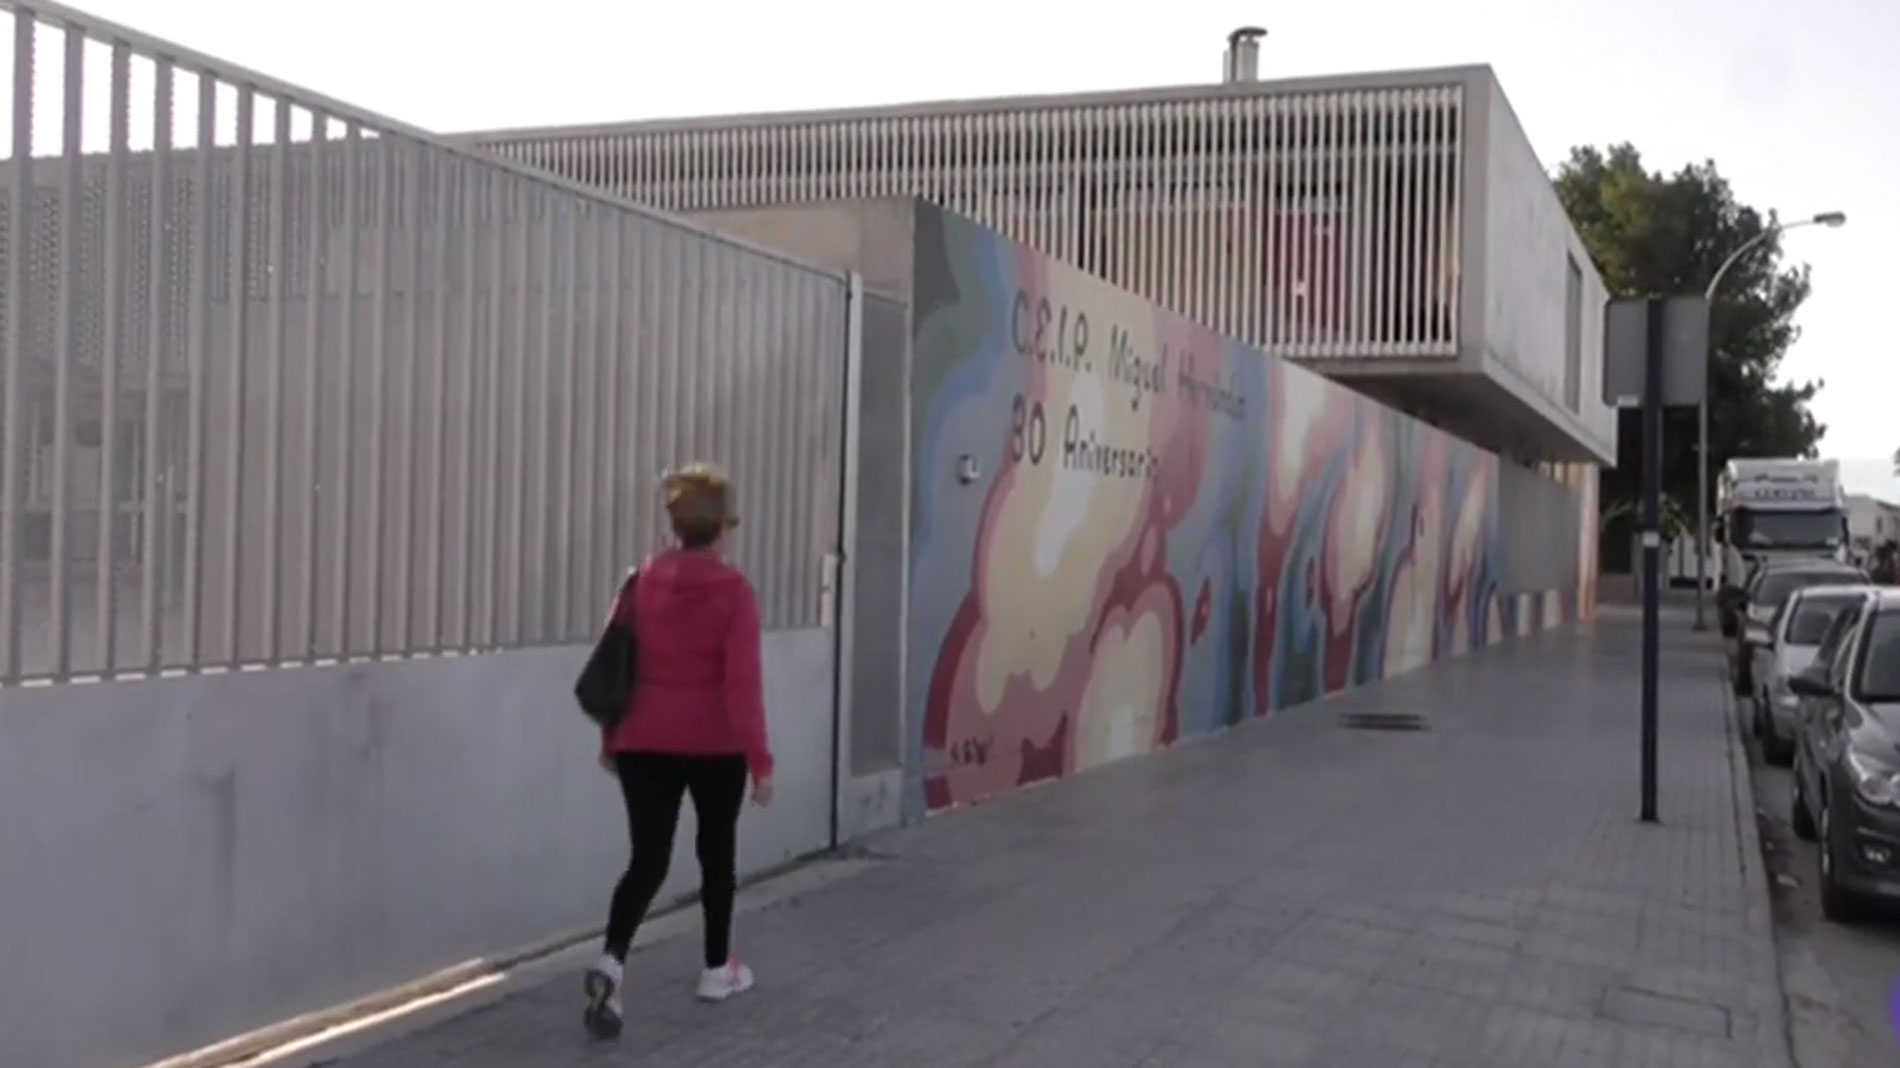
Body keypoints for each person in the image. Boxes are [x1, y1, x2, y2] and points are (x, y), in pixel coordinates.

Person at [583, 463, 776, 1041]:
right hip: (715, 745)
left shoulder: (639, 583)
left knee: (647, 859)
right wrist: (761, 764)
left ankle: (612, 963)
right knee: (716, 853)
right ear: (722, 527)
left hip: (643, 741)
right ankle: (717, 970)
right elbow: (742, 688)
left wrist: (610, 739)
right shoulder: (734, 593)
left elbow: (616, 665)